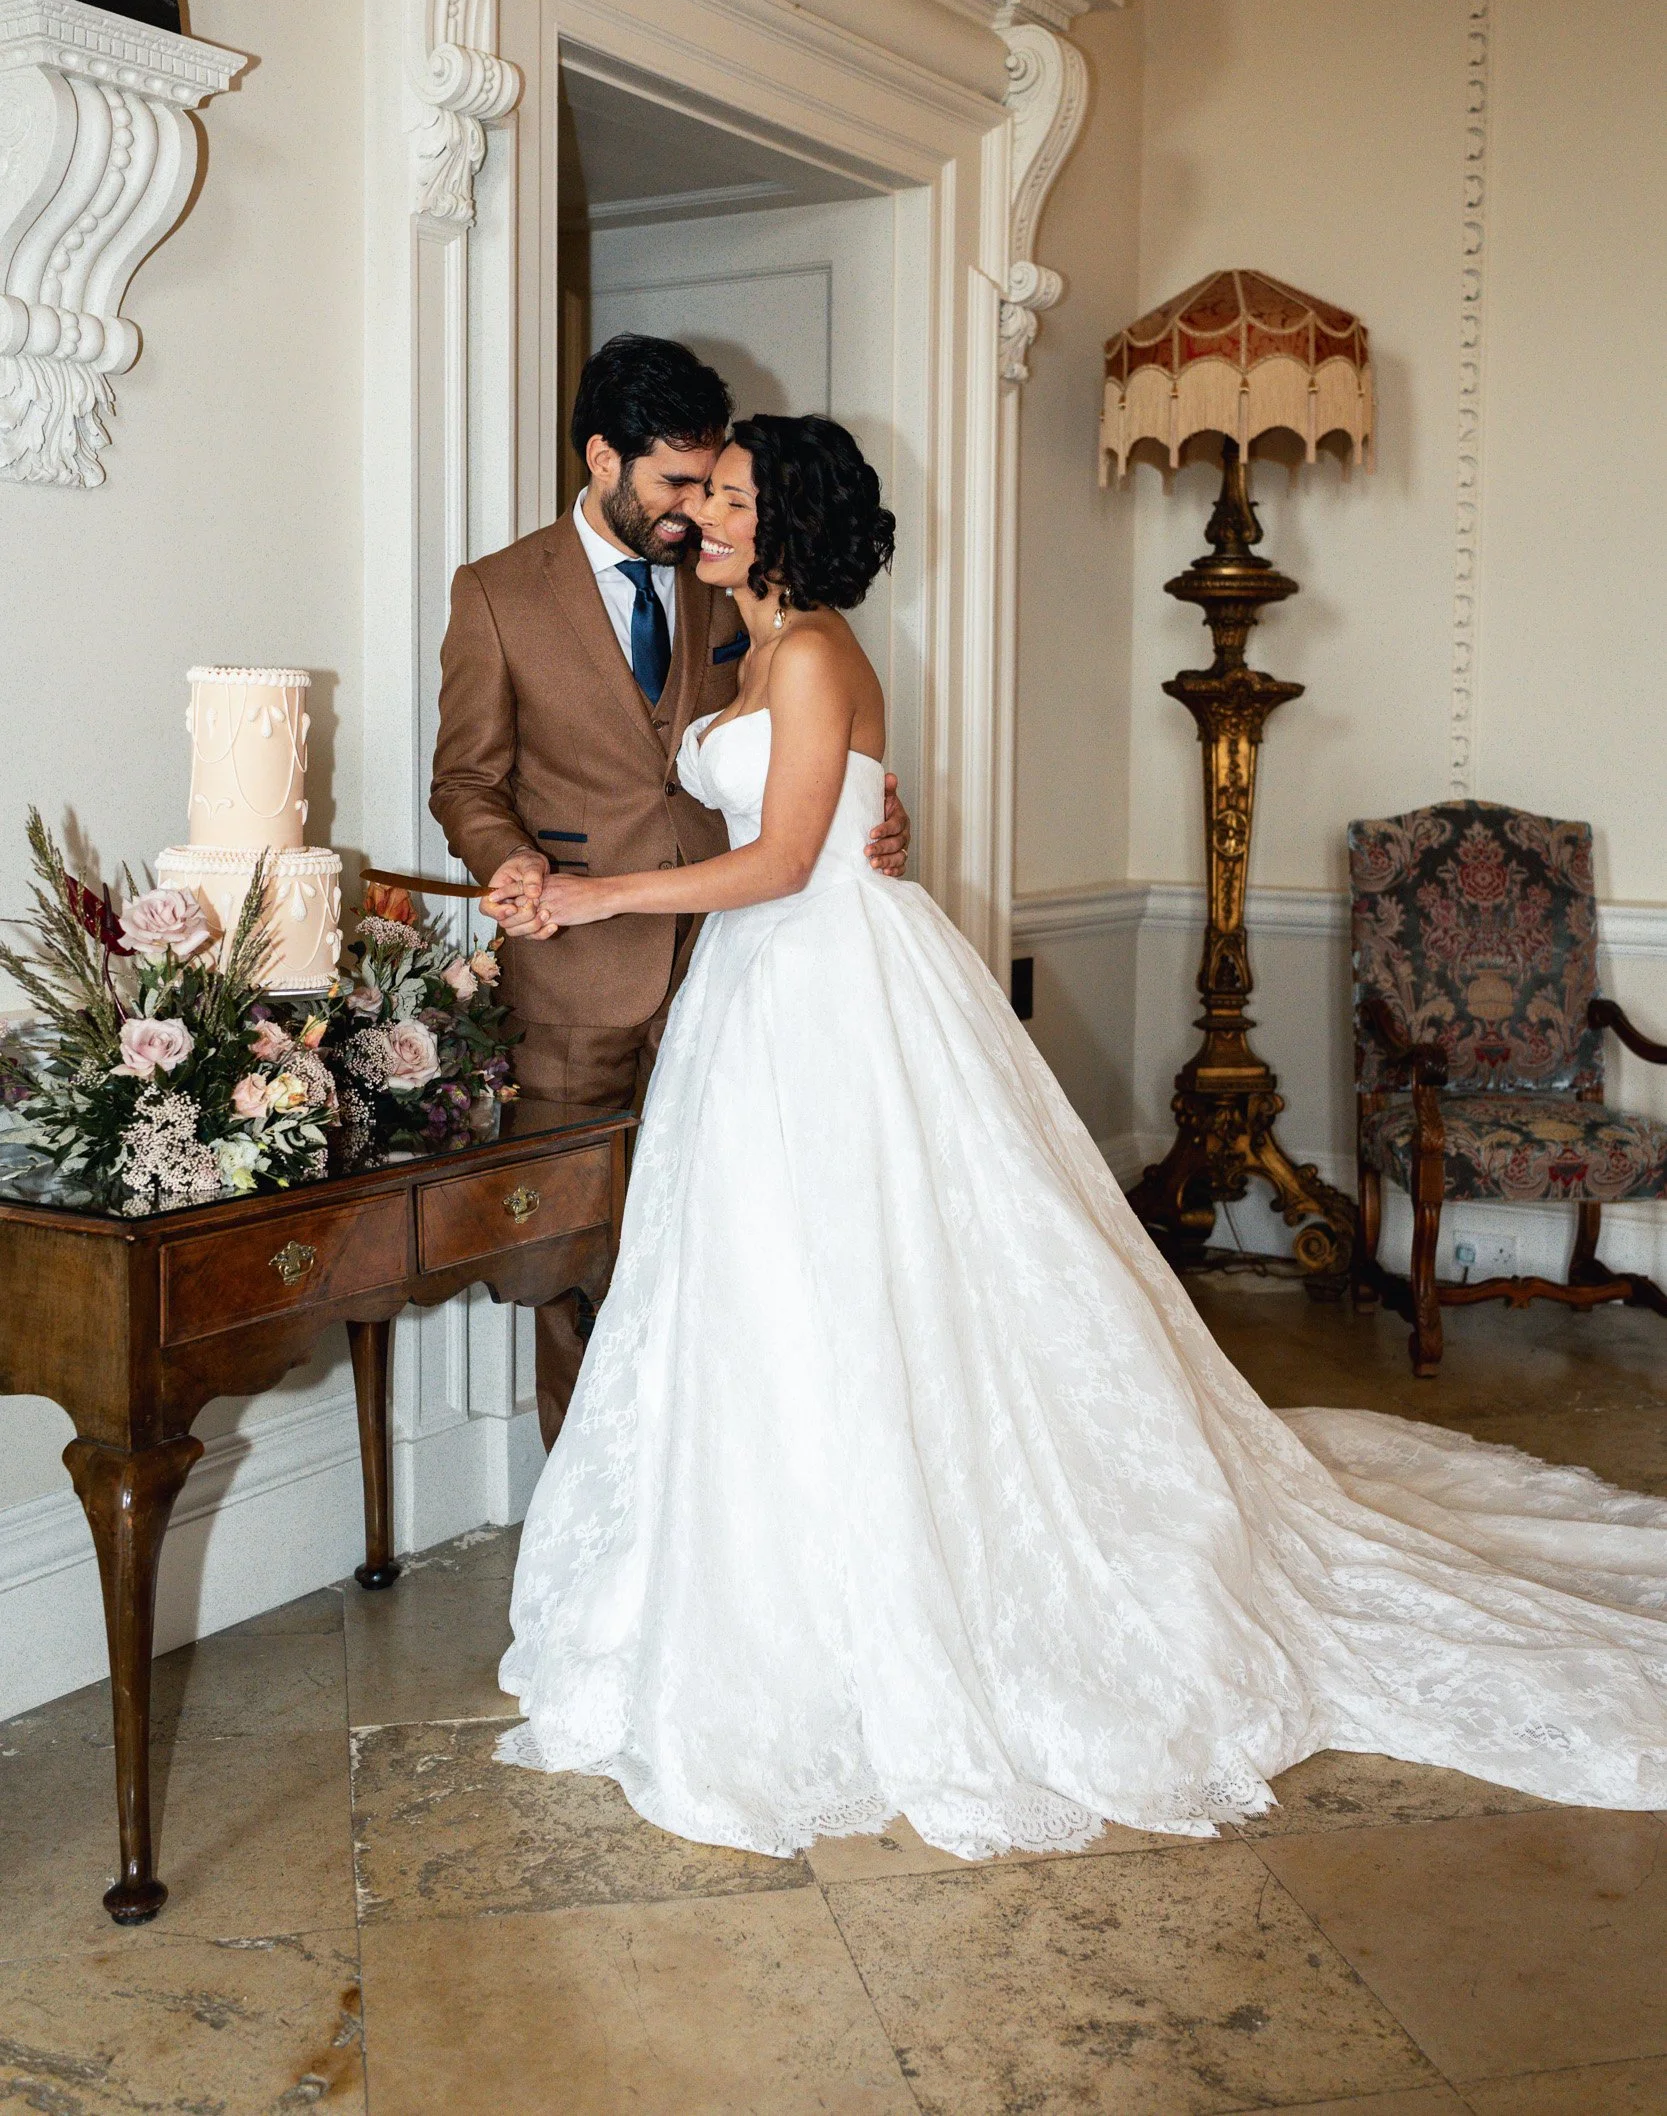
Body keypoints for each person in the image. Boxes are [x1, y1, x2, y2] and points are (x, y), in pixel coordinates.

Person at [497, 411, 1667, 1863]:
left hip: (822, 986)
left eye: (731, 497)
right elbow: (814, 813)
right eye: (701, 494)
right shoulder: (750, 656)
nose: (704, 517)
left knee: (860, 1268)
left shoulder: (807, 652)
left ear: (788, 515)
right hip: (768, 991)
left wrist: (592, 902)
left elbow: (788, 858)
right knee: (765, 1282)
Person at [429, 339, 909, 1445]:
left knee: (738, 1250)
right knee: (574, 1262)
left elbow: (812, 733)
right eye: (675, 484)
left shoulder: (735, 585)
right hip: (574, 977)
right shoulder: (497, 593)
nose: (695, 510)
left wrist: (873, 809)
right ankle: (591, 1516)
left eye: (711, 485)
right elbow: (465, 778)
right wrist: (503, 858)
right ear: (603, 457)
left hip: (741, 966)